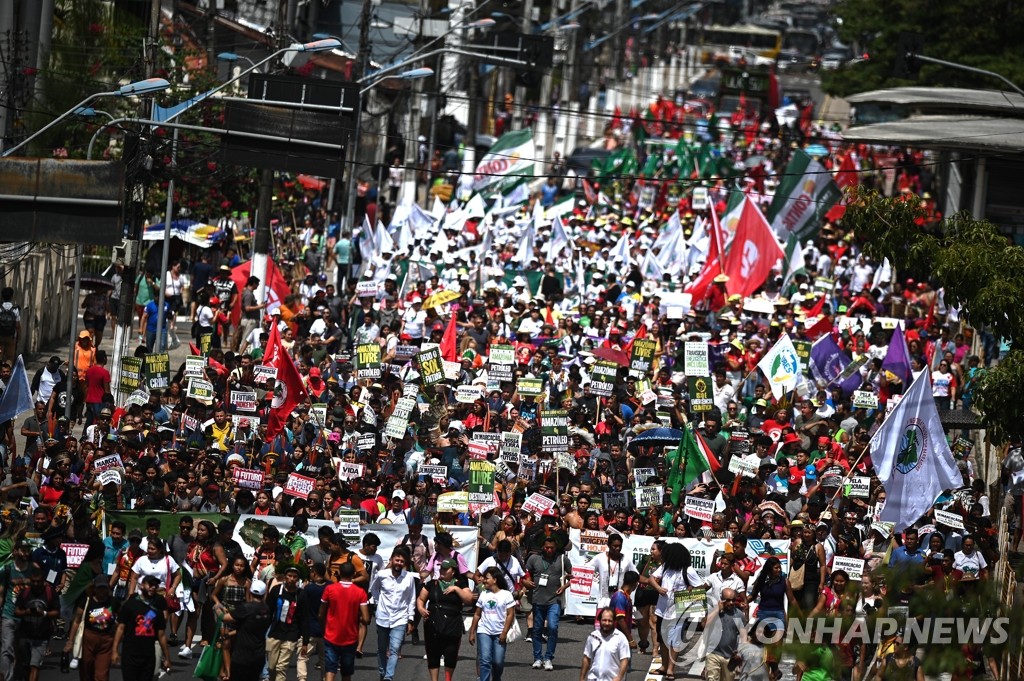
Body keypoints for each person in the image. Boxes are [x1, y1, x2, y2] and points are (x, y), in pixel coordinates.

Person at [417, 558, 474, 681]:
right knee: (433, 654)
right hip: (433, 624)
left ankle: (448, 679)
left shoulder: (460, 584)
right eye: (441, 568)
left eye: (445, 568)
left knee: (450, 654)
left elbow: (469, 599)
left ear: (453, 571)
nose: (442, 570)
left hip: (452, 625)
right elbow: (421, 599)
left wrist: (456, 589)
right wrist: (421, 608)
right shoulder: (432, 584)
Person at [369, 547, 418, 681]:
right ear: (391, 560)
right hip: (383, 617)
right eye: (397, 560)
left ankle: (388, 677)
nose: (399, 563)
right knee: (381, 648)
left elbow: (411, 599)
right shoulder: (382, 575)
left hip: (400, 618)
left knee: (395, 649)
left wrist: (410, 618)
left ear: (405, 563)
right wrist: (379, 602)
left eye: (402, 561)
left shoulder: (409, 578)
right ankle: (382, 671)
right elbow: (374, 589)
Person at [111, 575, 171, 681]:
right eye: (150, 584)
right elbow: (120, 628)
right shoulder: (130, 604)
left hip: (148, 656)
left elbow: (161, 635)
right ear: (142, 586)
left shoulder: (157, 610)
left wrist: (167, 657)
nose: (152, 587)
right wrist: (115, 650)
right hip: (130, 655)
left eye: (155, 585)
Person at [523, 536, 571, 669]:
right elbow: (525, 573)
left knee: (553, 628)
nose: (549, 550)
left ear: (556, 548)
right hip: (538, 600)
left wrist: (564, 587)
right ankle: (537, 658)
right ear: (542, 547)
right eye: (546, 547)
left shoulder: (562, 559)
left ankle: (549, 657)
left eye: (552, 548)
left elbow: (573, 577)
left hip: (554, 601)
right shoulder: (534, 559)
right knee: (537, 630)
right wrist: (527, 581)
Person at [63, 575, 118, 681]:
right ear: (94, 588)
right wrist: (70, 641)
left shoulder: (113, 602)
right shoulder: (86, 601)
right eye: (99, 588)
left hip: (106, 642)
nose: (102, 591)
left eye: (104, 588)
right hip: (88, 640)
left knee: (102, 675)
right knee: (86, 671)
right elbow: (77, 621)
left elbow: (121, 621)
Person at [469, 565, 516, 681]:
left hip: (500, 632)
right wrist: (472, 632)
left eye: (487, 578)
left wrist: (504, 632)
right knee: (485, 660)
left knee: (498, 661)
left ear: (495, 580)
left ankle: (496, 678)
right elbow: (477, 614)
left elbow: (510, 614)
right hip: (484, 630)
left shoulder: (506, 594)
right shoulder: (484, 594)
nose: (484, 580)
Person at [221, 579, 272, 681]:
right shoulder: (267, 609)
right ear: (265, 593)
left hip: (242, 655)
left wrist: (217, 609)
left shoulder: (246, 608)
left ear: (251, 592)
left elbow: (225, 618)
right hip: (258, 655)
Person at [14, 568, 59, 681]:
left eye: (38, 581)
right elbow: (16, 611)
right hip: (25, 635)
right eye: (33, 581)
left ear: (43, 581)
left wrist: (43, 613)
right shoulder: (25, 593)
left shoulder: (50, 593)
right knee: (25, 665)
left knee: (35, 665)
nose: (36, 584)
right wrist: (26, 612)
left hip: (42, 636)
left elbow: (57, 612)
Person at [703, 587, 747, 681]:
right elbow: (704, 624)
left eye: (733, 600)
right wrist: (717, 610)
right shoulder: (714, 611)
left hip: (730, 657)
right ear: (721, 599)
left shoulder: (738, 615)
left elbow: (744, 636)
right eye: (728, 600)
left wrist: (741, 654)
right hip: (713, 653)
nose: (731, 603)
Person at [579, 606, 631, 681]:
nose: (607, 623)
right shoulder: (593, 636)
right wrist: (582, 678)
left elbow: (624, 660)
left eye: (610, 621)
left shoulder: (621, 638)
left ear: (614, 621)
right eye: (604, 620)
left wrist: (619, 677)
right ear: (599, 620)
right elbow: (587, 658)